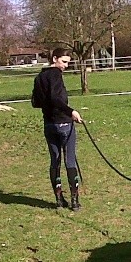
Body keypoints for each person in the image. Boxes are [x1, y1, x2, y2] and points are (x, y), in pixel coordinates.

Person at [32, 48, 83, 210]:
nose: (66, 66)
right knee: (70, 160)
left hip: (49, 125)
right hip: (64, 124)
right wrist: (71, 111)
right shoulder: (55, 75)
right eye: (64, 61)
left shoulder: (40, 77)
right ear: (55, 58)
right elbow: (55, 98)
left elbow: (35, 102)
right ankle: (74, 200)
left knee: (55, 161)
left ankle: (59, 198)